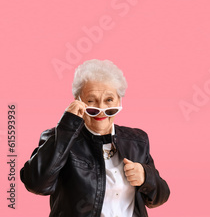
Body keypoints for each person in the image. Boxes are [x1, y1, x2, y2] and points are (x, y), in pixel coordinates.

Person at [21, 59, 170, 216]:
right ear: (78, 101)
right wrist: (67, 126)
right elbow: (36, 184)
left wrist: (146, 177)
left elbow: (161, 196)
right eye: (91, 101)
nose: (101, 109)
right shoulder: (59, 138)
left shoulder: (137, 141)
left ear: (119, 101)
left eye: (109, 100)